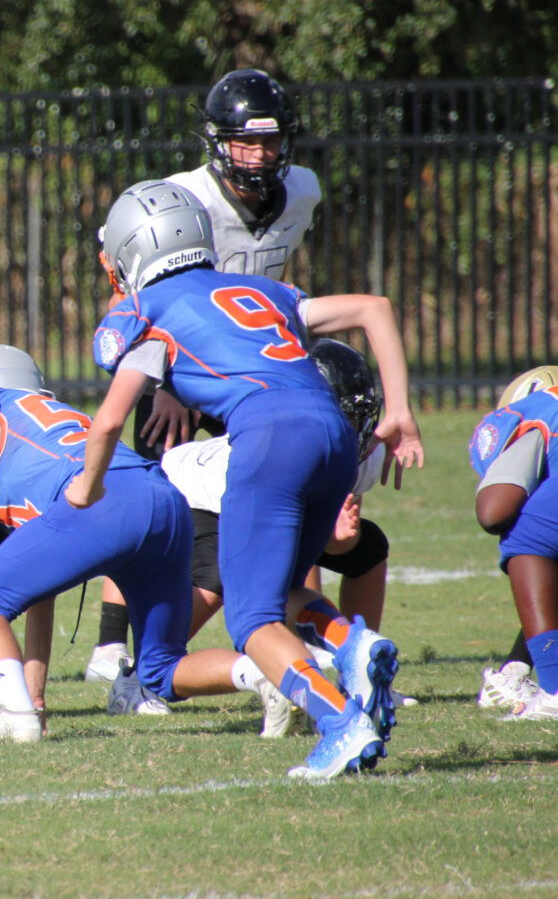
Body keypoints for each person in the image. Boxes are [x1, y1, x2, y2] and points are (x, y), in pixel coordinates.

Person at [72, 179, 425, 778]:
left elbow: (108, 422)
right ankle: (353, 644)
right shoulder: (259, 289)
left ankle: (341, 723)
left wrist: (86, 489)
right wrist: (398, 410)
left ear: (131, 253)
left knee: (253, 621)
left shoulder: (145, 309)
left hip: (268, 438)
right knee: (286, 589)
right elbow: (375, 309)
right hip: (335, 433)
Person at [88, 69, 322, 680]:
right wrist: (165, 385)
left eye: (269, 141)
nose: (259, 155)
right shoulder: (182, 196)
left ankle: (305, 635)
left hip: (250, 367)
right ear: (216, 142)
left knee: (288, 495)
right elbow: (134, 280)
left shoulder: (302, 192)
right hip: (179, 360)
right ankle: (112, 643)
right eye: (244, 141)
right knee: (147, 489)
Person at [0, 345, 254, 744]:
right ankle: (273, 676)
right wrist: (36, 700)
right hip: (164, 498)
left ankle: (14, 716)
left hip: (102, 498)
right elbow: (39, 598)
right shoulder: (57, 420)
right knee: (160, 670)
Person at [159, 338, 412, 735]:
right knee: (167, 648)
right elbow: (285, 532)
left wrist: (341, 541)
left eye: (356, 416)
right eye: (342, 415)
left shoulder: (358, 452)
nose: (353, 429)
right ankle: (141, 668)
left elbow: (319, 541)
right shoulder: (276, 448)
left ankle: (349, 670)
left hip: (264, 502)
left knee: (366, 549)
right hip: (198, 499)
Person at [471, 365, 558, 719]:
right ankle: (520, 671)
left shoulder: (537, 410)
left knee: (529, 534)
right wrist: (516, 668)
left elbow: (493, 511)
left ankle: (554, 691)